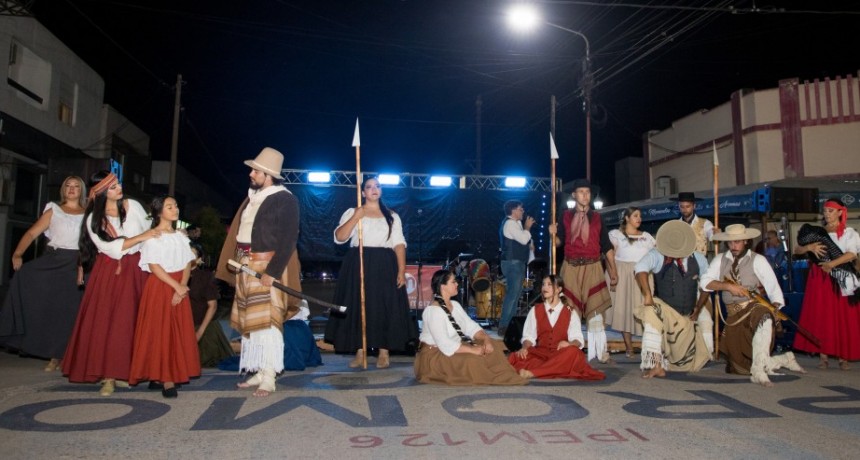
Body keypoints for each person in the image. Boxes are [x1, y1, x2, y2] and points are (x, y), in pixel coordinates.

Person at [62, 171, 161, 396]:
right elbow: (110, 247)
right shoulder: (94, 219)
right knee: (108, 322)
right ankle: (107, 375)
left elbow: (149, 232)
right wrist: (144, 237)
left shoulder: (133, 206)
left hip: (136, 268)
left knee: (131, 321)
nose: (119, 187)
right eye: (114, 186)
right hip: (109, 271)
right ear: (103, 191)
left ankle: (124, 372)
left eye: (118, 183)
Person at [216, 147, 303, 397]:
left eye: (255, 170)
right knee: (251, 323)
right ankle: (258, 369)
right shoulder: (254, 197)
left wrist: (273, 272)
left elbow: (288, 240)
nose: (251, 174)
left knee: (268, 322)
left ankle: (269, 375)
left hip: (266, 265)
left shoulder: (285, 199)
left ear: (268, 174)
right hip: (245, 263)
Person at [324, 176, 418, 368]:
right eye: (369, 186)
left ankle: (384, 351)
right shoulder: (353, 212)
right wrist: (356, 217)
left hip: (385, 264)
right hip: (358, 262)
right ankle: (361, 350)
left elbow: (399, 244)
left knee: (384, 306)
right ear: (363, 192)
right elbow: (339, 238)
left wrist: (401, 270)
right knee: (359, 305)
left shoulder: (392, 216)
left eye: (377, 186)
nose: (374, 189)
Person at [701, 224, 805, 387]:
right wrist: (727, 286)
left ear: (746, 241)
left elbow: (773, 289)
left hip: (753, 307)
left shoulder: (758, 260)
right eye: (730, 243)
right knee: (740, 367)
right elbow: (705, 283)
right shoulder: (719, 260)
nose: (733, 246)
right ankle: (783, 359)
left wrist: (775, 310)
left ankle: (758, 372)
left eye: (738, 242)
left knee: (764, 315)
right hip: (732, 317)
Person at [0, 176, 86, 371]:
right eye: (68, 186)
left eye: (75, 186)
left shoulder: (88, 213)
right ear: (63, 190)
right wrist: (18, 253)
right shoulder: (53, 210)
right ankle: (53, 355)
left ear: (81, 191)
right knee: (51, 308)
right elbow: (31, 233)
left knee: (71, 311)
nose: (71, 189)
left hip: (78, 263)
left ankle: (68, 354)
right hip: (54, 262)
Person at [128, 196, 200, 398]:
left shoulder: (181, 236)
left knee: (177, 331)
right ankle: (165, 378)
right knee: (160, 331)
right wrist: (176, 286)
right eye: (170, 206)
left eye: (176, 205)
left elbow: (188, 262)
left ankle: (164, 373)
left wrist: (183, 286)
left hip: (179, 285)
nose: (175, 209)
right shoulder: (153, 236)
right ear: (159, 212)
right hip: (161, 286)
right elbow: (154, 266)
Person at [414, 269, 527, 385]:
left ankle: (506, 375)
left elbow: (472, 327)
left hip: (455, 347)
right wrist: (472, 350)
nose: (457, 284)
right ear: (443, 286)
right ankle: (496, 378)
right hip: (435, 355)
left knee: (493, 345)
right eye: (453, 282)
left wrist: (486, 340)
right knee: (472, 360)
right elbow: (445, 344)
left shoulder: (456, 306)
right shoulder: (433, 311)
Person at [633, 220, 713, 378]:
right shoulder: (657, 255)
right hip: (665, 311)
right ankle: (655, 364)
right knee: (650, 311)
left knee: (684, 364)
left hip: (686, 317)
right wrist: (647, 294)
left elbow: (708, 283)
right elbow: (640, 268)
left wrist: (698, 308)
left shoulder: (698, 258)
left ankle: (678, 356)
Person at [550, 178, 617, 363]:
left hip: (593, 266)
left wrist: (614, 271)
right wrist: (552, 235)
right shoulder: (565, 216)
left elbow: (606, 246)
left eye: (587, 193)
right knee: (570, 311)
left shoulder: (597, 217)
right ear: (574, 195)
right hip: (570, 267)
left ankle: (600, 352)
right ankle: (572, 352)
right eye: (581, 192)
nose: (585, 195)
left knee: (596, 312)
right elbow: (558, 244)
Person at [793, 198, 860, 370]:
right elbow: (797, 250)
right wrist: (809, 248)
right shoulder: (817, 232)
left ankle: (843, 356)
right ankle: (823, 356)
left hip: (840, 276)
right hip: (819, 278)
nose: (827, 214)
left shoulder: (849, 233)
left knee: (842, 316)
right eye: (825, 211)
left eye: (831, 211)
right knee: (822, 314)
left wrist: (832, 264)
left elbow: (852, 254)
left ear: (840, 212)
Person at [508, 275, 605, 380]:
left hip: (561, 355)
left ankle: (534, 372)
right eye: (543, 284)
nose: (545, 287)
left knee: (573, 352)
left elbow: (578, 339)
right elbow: (528, 337)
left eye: (549, 285)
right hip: (541, 354)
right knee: (516, 356)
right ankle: (551, 369)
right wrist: (525, 348)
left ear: (559, 289)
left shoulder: (570, 312)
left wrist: (569, 344)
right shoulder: (535, 310)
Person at [605, 206, 655, 357]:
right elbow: (609, 255)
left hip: (642, 275)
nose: (639, 219)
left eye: (640, 216)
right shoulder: (616, 235)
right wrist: (612, 273)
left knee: (644, 309)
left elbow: (656, 254)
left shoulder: (647, 237)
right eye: (635, 216)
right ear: (627, 218)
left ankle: (648, 346)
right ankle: (629, 347)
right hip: (622, 273)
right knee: (624, 309)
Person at [188, 243, 234, 368]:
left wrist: (200, 332)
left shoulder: (204, 277)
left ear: (199, 260)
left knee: (202, 360)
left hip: (203, 326)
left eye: (192, 253)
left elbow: (212, 306)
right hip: (183, 326)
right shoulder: (174, 275)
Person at [497, 200, 535, 337]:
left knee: (515, 295)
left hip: (516, 263)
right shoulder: (510, 224)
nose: (522, 211)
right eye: (520, 209)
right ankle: (504, 325)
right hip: (512, 263)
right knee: (512, 295)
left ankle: (509, 325)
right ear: (513, 211)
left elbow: (523, 241)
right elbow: (524, 239)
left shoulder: (516, 224)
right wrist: (528, 228)